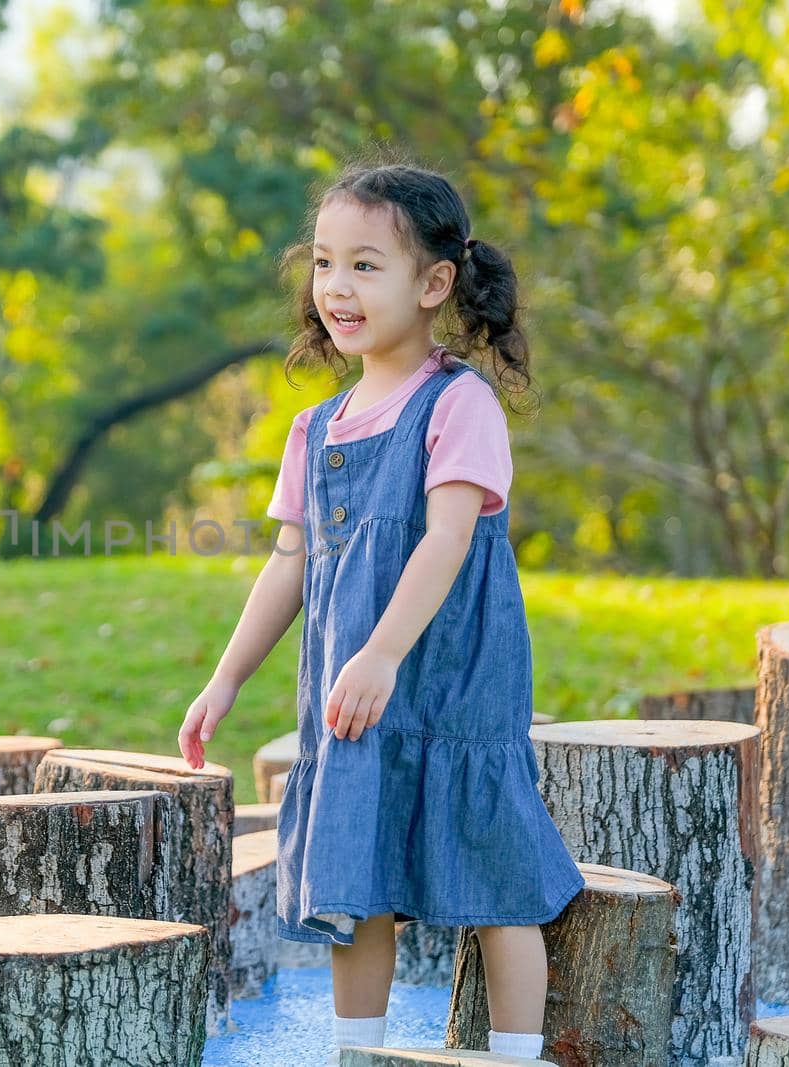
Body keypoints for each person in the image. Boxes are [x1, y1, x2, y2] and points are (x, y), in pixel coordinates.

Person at [177, 154, 584, 1063]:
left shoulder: (459, 401)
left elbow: (446, 539)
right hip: (352, 697)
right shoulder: (314, 429)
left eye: (367, 264)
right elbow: (289, 564)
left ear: (434, 282)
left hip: (446, 686)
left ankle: (515, 1057)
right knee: (353, 884)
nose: (338, 287)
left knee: (493, 879)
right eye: (324, 262)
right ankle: (357, 1051)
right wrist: (226, 676)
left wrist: (385, 652)